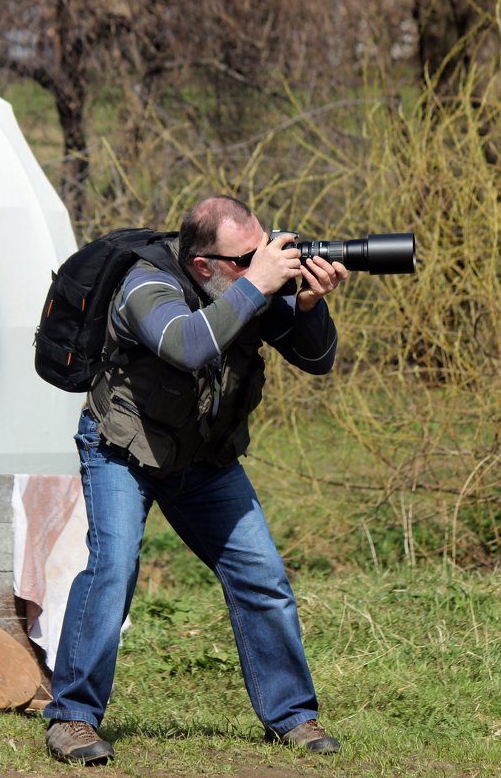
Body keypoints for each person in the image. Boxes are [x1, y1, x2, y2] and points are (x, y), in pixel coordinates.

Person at [42, 195, 348, 764]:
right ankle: (72, 719)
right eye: (247, 258)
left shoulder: (244, 283)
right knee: (113, 568)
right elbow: (186, 345)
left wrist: (308, 306)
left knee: (262, 577)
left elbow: (318, 359)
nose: (264, 263)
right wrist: (256, 284)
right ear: (204, 265)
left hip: (203, 459)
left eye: (265, 249)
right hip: (124, 451)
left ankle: (292, 717)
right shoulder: (145, 286)